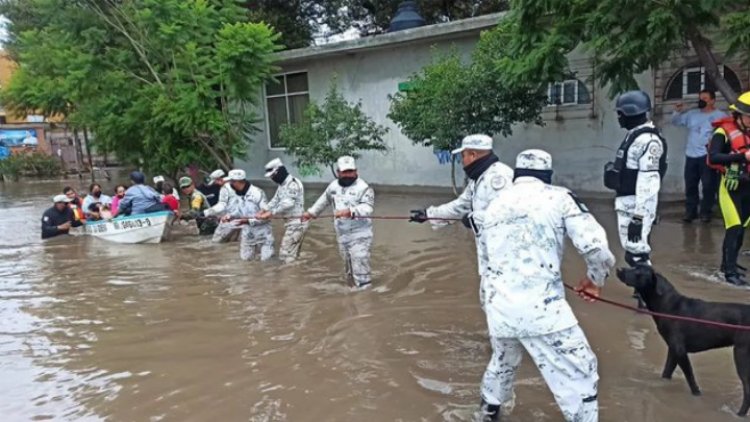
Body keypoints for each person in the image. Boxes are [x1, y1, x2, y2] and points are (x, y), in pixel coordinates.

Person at [478, 149, 615, 422]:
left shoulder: (493, 205)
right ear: (547, 176)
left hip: (498, 305)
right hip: (542, 309)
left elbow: (486, 261)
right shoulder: (559, 197)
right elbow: (598, 249)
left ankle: (488, 411)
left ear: (517, 175)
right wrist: (594, 280)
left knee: (504, 359)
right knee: (582, 368)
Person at [408, 134, 513, 309]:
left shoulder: (500, 178)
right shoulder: (478, 179)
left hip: (507, 256)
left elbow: (507, 216)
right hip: (490, 255)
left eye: (462, 156)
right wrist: (428, 214)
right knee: (489, 301)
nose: (461, 161)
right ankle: (496, 336)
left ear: (472, 155)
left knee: (502, 304)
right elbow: (461, 206)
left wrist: (474, 219)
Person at [604, 90, 667, 268]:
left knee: (637, 254)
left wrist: (638, 218)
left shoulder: (649, 141)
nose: (619, 118)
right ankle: (644, 293)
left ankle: (648, 294)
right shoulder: (635, 135)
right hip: (627, 202)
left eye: (620, 114)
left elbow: (649, 183)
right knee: (632, 252)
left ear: (630, 113)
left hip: (637, 206)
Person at [303, 156, 374, 289]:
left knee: (360, 269)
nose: (347, 174)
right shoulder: (333, 186)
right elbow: (323, 201)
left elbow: (367, 208)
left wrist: (350, 211)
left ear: (356, 171)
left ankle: (365, 299)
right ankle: (351, 295)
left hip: (360, 235)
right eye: (344, 172)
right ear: (338, 172)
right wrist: (311, 213)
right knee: (348, 270)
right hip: (342, 235)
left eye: (350, 171)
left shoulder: (364, 188)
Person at [707, 91, 750, 286]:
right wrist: (742, 157)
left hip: (747, 186)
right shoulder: (722, 132)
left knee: (742, 229)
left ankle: (729, 263)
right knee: (733, 227)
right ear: (739, 115)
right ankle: (729, 272)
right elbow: (713, 157)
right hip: (729, 186)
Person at [672, 90, 726, 222]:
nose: (701, 100)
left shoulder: (720, 116)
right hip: (691, 155)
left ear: (713, 101)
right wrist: (677, 111)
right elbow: (676, 122)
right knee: (690, 185)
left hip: (707, 155)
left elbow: (726, 134)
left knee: (708, 185)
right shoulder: (691, 114)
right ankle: (690, 212)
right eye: (700, 98)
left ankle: (706, 212)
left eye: (705, 98)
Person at [257, 158, 308, 263]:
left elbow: (288, 203)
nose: (272, 178)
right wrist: (263, 210)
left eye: (273, 176)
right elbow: (275, 200)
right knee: (292, 257)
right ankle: (299, 273)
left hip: (297, 224)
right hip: (291, 224)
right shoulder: (282, 185)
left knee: (285, 256)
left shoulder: (292, 184)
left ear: (279, 171)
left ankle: (289, 277)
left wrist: (271, 213)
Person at [218, 169, 274, 261]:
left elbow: (267, 216)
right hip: (247, 235)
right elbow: (239, 211)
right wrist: (230, 216)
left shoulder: (258, 193)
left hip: (263, 236)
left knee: (267, 264)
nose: (229, 185)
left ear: (237, 182)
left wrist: (248, 221)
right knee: (245, 263)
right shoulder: (238, 194)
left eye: (231, 182)